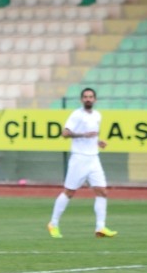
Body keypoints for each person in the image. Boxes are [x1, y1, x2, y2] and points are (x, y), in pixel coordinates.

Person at [46, 87, 117, 238]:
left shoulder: (97, 115)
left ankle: (100, 227)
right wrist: (83, 135)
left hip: (94, 158)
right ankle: (53, 223)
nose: (88, 99)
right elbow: (65, 133)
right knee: (69, 192)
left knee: (102, 191)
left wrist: (98, 142)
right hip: (79, 158)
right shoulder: (77, 115)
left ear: (95, 99)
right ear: (81, 100)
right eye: (85, 97)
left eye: (91, 97)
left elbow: (91, 136)